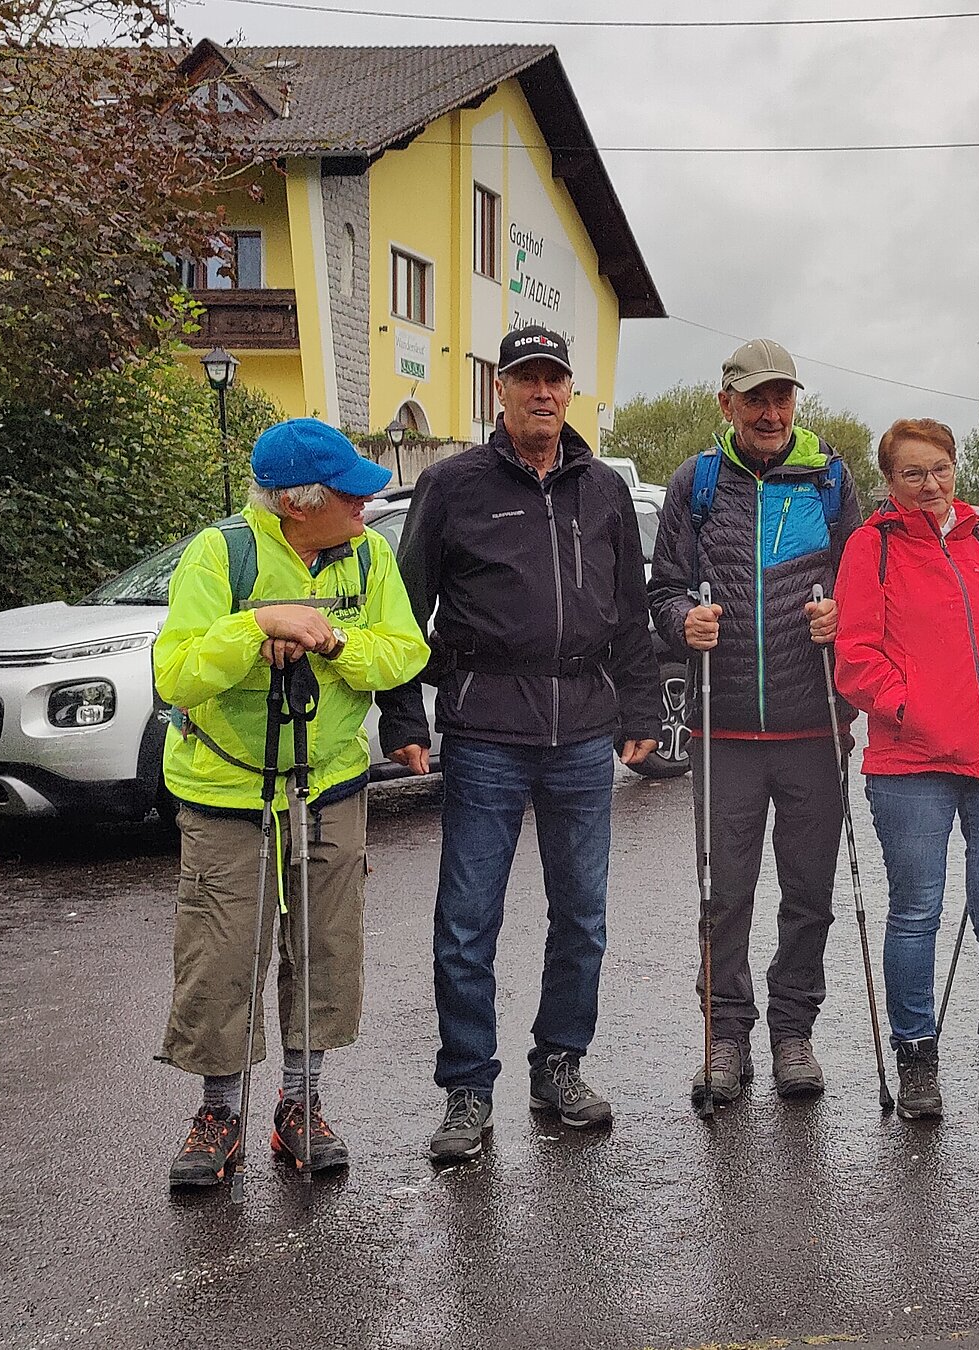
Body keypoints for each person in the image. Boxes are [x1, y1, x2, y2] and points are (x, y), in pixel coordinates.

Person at [379, 326, 663, 1163]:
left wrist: (641, 708)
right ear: (499, 390)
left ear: (570, 392)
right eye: (526, 378)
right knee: (467, 921)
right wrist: (404, 719)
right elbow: (403, 610)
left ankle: (559, 1063)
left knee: (582, 916)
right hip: (485, 731)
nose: (542, 392)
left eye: (555, 379)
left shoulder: (604, 491)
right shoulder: (452, 485)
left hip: (582, 731)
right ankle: (468, 1088)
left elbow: (629, 613)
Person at [157, 417, 430, 1188]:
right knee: (221, 951)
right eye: (350, 494)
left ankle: (300, 1106)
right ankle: (219, 1114)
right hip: (226, 790)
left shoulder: (369, 556)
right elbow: (175, 672)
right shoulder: (221, 554)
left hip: (328, 781)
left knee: (325, 946)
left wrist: (332, 642)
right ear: (296, 505)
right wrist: (257, 627)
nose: (366, 506)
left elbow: (405, 652)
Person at [646, 339, 864, 1110]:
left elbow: (866, 586)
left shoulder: (830, 479)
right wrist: (683, 620)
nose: (771, 413)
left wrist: (844, 615)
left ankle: (793, 1032)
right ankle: (727, 1035)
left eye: (783, 398)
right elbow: (663, 590)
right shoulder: (697, 483)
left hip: (814, 729)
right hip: (726, 729)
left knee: (809, 895)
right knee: (724, 895)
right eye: (756, 399)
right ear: (727, 403)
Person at [831, 418, 979, 1121]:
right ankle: (916, 1055)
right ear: (889, 481)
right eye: (913, 474)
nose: (930, 485)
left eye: (940, 469)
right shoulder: (871, 548)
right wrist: (906, 706)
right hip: (911, 760)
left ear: (956, 468)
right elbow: (855, 654)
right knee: (917, 911)